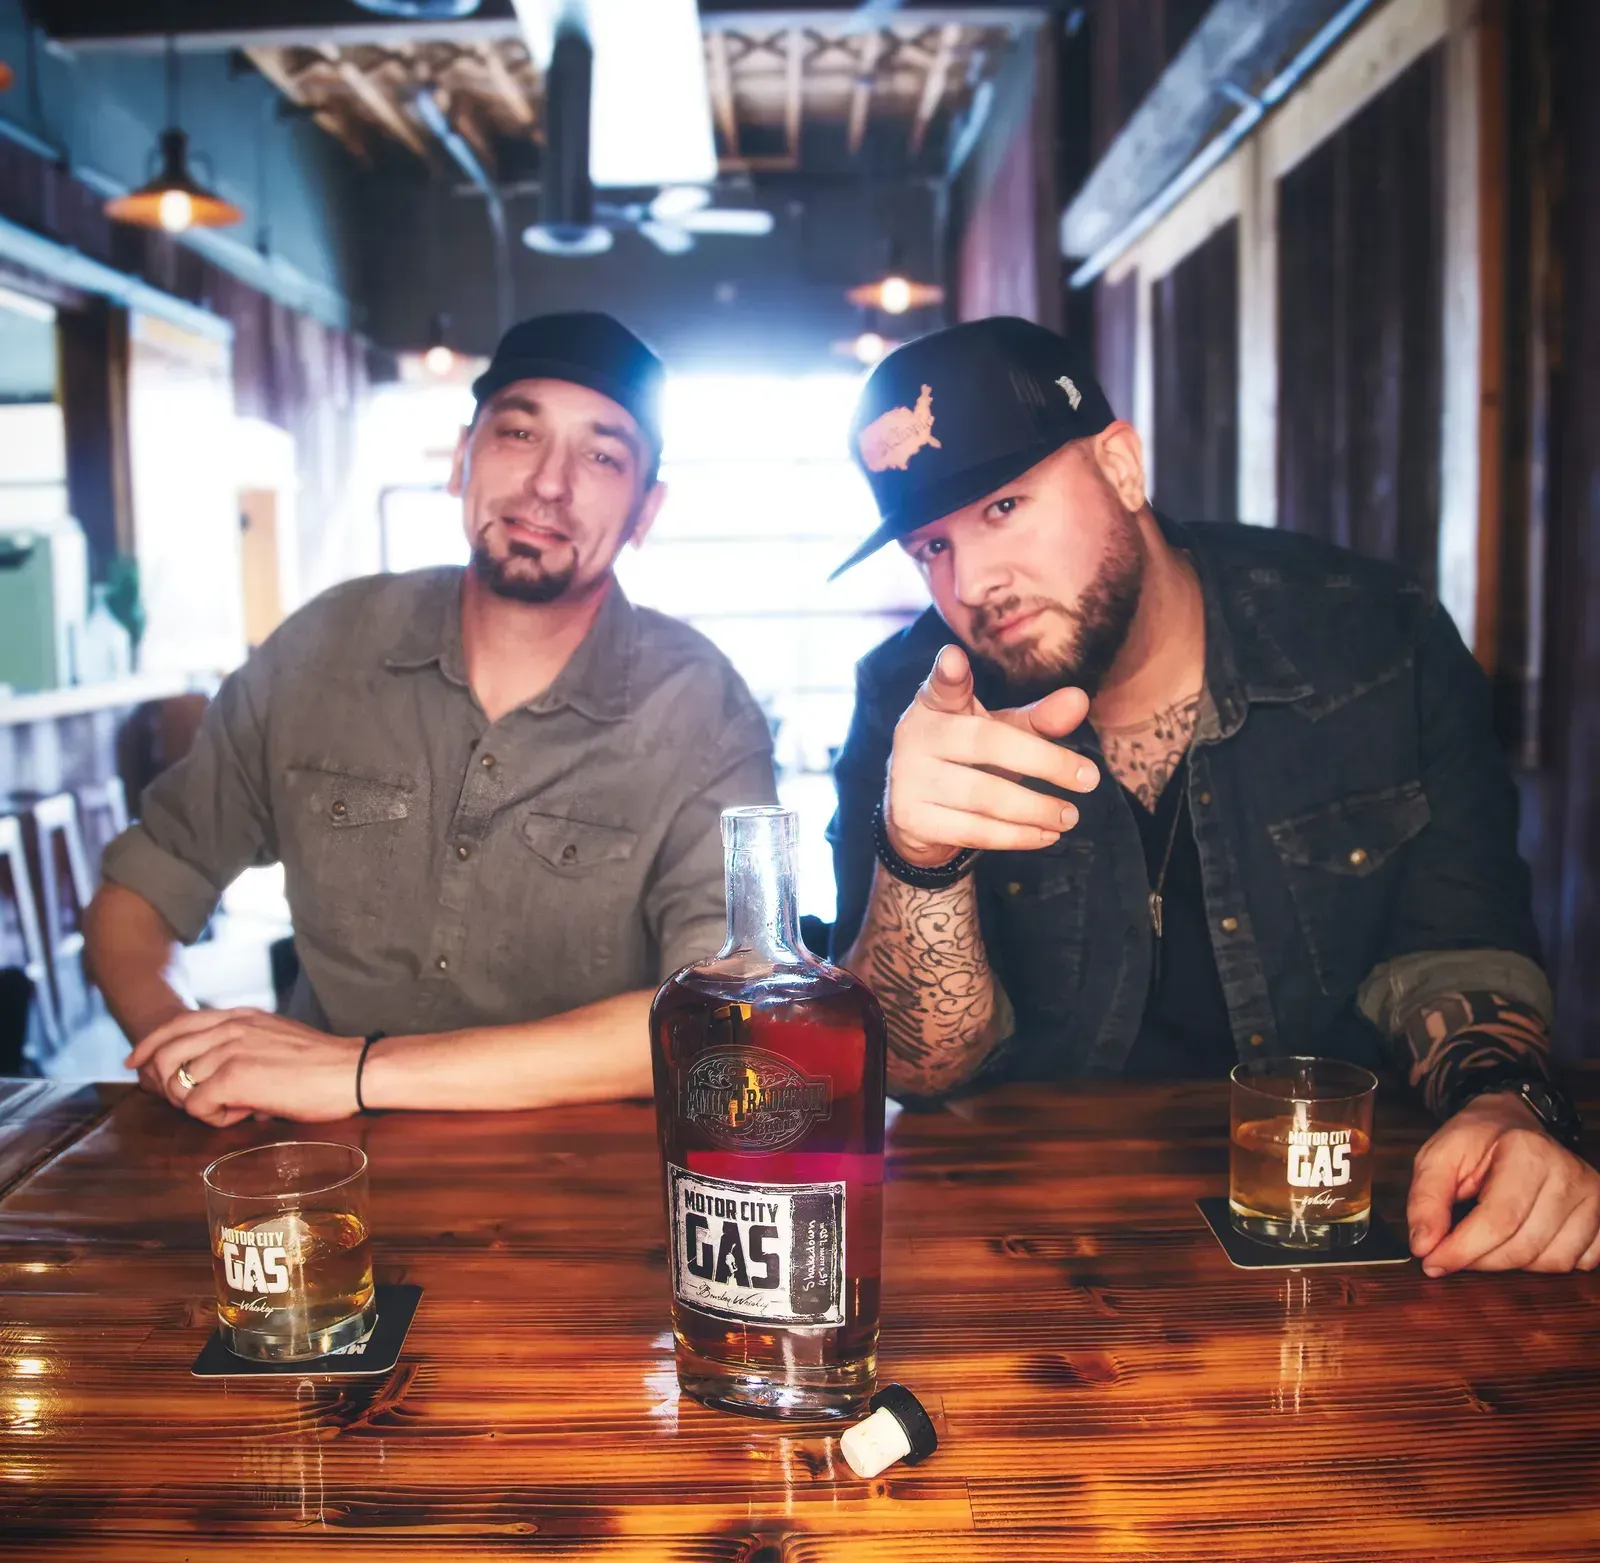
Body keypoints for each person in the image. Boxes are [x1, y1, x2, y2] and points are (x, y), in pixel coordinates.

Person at [828, 316, 1599, 1277]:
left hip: (1363, 1219)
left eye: (1004, 507)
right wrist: (919, 859)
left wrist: (1505, 1104)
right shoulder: (912, 706)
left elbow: (1460, 945)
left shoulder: (1377, 640)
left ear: (1120, 466)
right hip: (1033, 1247)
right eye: (928, 547)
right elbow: (917, 1069)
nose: (972, 580)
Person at [88, 312, 775, 1127]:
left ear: (645, 510)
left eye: (601, 455)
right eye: (519, 432)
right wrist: (189, 1051)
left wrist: (356, 1072)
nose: (549, 483)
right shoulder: (324, 649)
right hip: (318, 1179)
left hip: (578, 1192)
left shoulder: (701, 709)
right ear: (461, 459)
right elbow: (142, 887)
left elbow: (724, 1014)